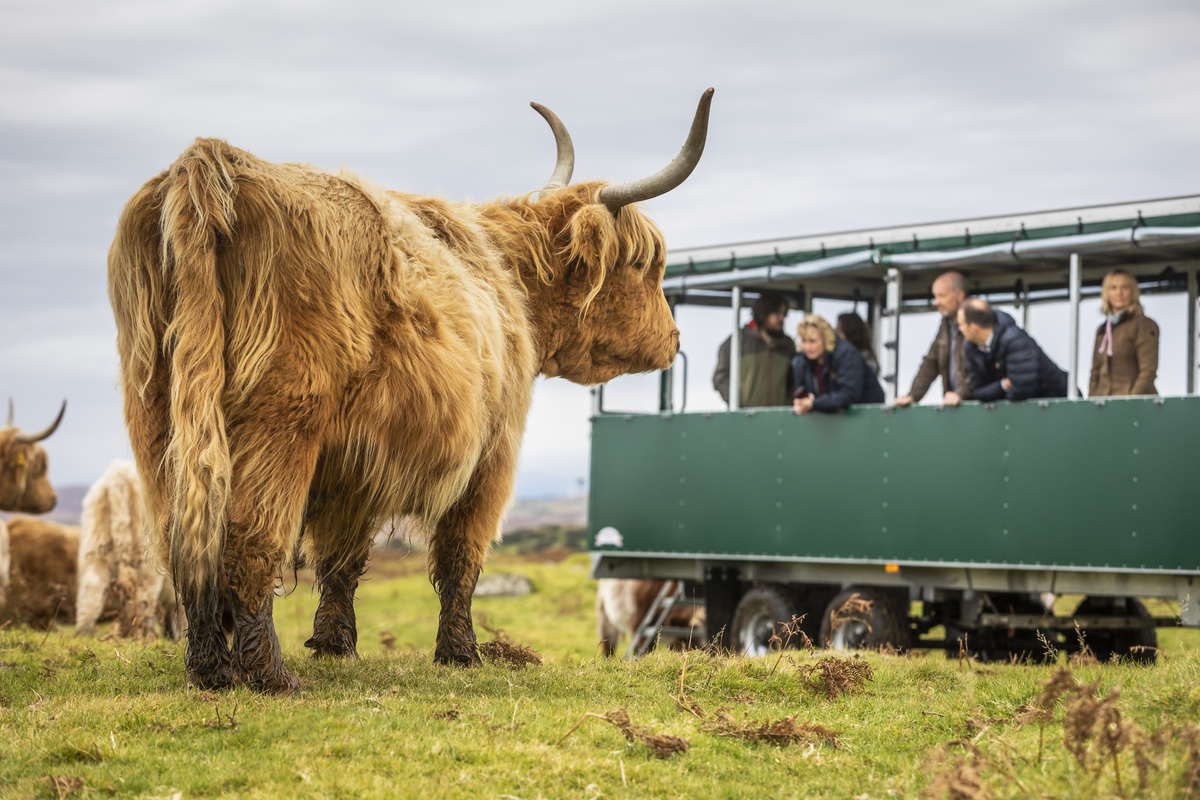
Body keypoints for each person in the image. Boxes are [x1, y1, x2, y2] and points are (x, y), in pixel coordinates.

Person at [958, 298, 1068, 401]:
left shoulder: (1015, 340)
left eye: (961, 324)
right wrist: (1003, 385)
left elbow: (1021, 390)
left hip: (1058, 403)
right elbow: (977, 391)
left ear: (974, 328)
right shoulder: (971, 347)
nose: (959, 329)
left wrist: (996, 392)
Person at [894, 271, 972, 407]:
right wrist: (912, 396)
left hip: (982, 408)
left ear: (959, 295)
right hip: (956, 408)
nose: (936, 302)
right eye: (935, 296)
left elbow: (984, 370)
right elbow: (931, 364)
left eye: (941, 295)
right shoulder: (946, 325)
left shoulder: (978, 323)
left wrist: (961, 393)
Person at [713, 290, 796, 407]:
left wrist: (788, 405)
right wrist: (738, 403)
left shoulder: (788, 344)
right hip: (744, 419)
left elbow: (794, 381)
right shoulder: (736, 341)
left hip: (779, 420)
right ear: (763, 313)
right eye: (777, 313)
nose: (782, 318)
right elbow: (720, 378)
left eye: (784, 313)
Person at [792, 314, 885, 414]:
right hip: (832, 420)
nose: (808, 347)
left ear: (825, 339)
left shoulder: (847, 353)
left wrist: (814, 403)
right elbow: (802, 390)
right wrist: (803, 401)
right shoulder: (801, 362)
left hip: (868, 416)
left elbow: (849, 394)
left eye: (812, 341)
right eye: (804, 341)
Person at [1089, 269, 1159, 396]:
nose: (1119, 292)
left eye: (1125, 287)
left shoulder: (1143, 325)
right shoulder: (1102, 330)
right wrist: (1092, 404)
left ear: (1133, 291)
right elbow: (1095, 373)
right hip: (1106, 405)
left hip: (1134, 405)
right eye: (1113, 287)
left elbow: (1148, 371)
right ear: (1106, 293)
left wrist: (1130, 402)